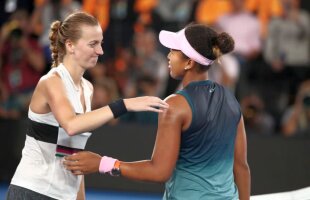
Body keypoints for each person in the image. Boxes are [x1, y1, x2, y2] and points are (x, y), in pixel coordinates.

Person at [64, 23, 251, 200]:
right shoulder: (231, 100)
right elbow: (241, 166)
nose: (168, 56)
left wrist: (101, 164)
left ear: (189, 63)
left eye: (173, 51)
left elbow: (159, 171)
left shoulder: (176, 105)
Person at [6, 11, 168, 200]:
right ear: (70, 45)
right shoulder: (51, 81)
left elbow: (75, 153)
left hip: (64, 195)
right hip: (33, 191)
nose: (100, 51)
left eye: (100, 43)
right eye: (93, 44)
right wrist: (124, 105)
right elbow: (72, 125)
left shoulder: (87, 88)